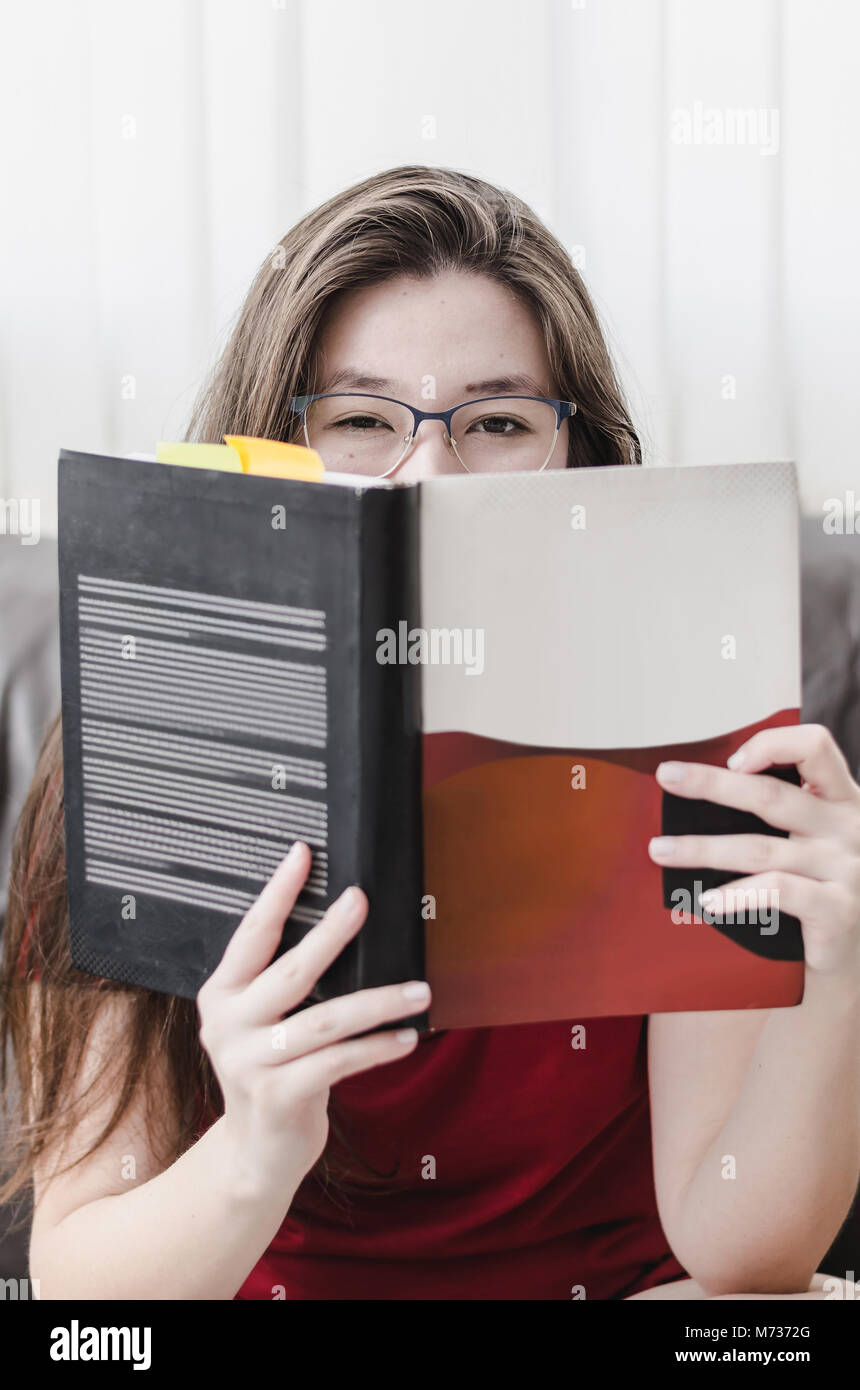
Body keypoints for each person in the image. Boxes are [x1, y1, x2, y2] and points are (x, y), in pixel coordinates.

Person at [2, 166, 858, 1301]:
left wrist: (838, 974)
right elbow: (81, 1290)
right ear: (271, 449)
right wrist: (258, 1143)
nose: (427, 475)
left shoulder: (683, 724)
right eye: (360, 419)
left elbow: (747, 1256)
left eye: (497, 421)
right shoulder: (148, 743)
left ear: (582, 462)